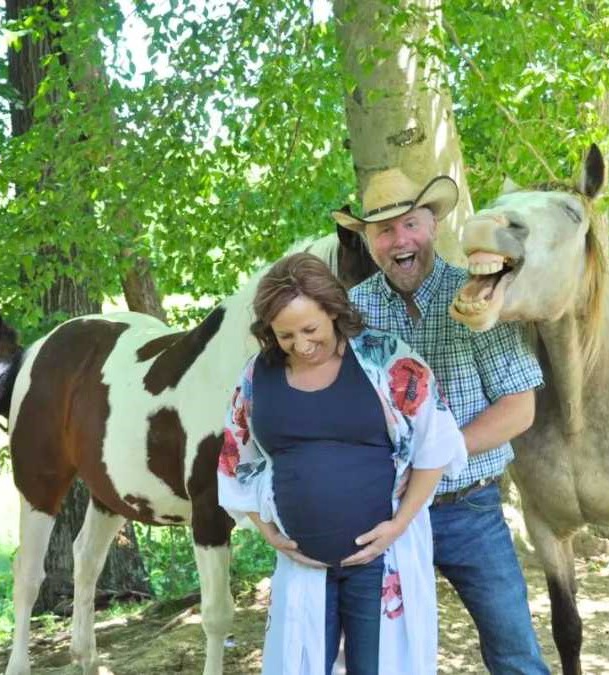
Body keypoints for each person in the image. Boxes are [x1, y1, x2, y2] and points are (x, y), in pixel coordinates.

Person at [332, 169, 550, 674]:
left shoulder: (478, 297)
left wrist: (435, 455)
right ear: (368, 241)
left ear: (432, 226)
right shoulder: (352, 313)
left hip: (468, 508)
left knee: (515, 652)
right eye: (384, 231)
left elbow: (520, 408)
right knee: (375, 656)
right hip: (381, 515)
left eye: (410, 224)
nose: (399, 240)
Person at [216, 252, 467, 675]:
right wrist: (269, 532)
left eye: (310, 329)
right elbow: (236, 460)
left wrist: (398, 524)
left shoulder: (386, 360)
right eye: (285, 335)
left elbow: (435, 447)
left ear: (334, 311)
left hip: (380, 558)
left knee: (379, 667)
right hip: (303, 566)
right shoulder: (258, 376)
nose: (300, 344)